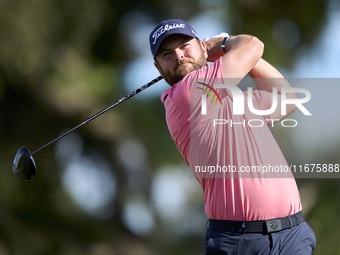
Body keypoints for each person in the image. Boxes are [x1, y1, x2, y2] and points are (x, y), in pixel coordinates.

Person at [149, 19, 316, 254]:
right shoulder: (184, 94)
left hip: (293, 235)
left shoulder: (233, 99)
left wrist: (226, 53)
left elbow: (288, 99)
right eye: (167, 53)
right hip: (240, 242)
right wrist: (225, 43)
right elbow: (253, 45)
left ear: (202, 48)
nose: (178, 55)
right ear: (158, 68)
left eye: (185, 46)